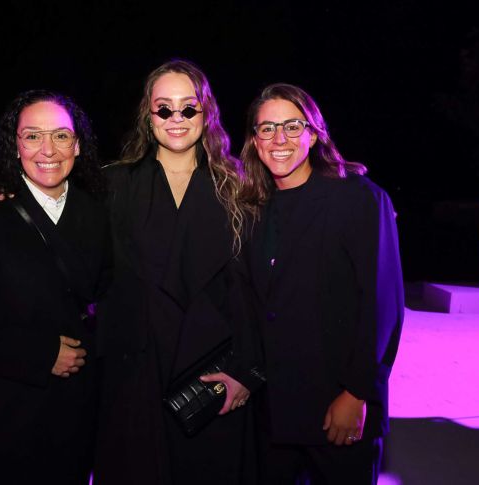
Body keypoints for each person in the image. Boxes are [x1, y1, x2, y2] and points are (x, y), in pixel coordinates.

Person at [94, 59, 266, 485]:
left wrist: (246, 371)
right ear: (147, 115)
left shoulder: (238, 184)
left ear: (205, 113)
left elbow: (256, 290)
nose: (176, 119)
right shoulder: (112, 185)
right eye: (163, 109)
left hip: (211, 378)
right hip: (136, 378)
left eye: (188, 108)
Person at [0, 89, 110, 484]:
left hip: (73, 417)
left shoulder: (98, 212)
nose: (48, 148)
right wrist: (40, 353)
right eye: (32, 136)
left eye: (61, 135)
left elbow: (111, 293)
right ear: (15, 146)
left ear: (78, 145)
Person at [238, 83, 404, 484]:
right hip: (273, 412)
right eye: (267, 128)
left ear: (313, 135)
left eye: (293, 127)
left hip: (337, 406)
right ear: (255, 141)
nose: (280, 139)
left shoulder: (358, 198)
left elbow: (383, 305)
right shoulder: (252, 208)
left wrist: (357, 392)